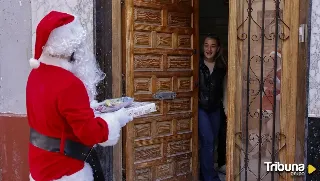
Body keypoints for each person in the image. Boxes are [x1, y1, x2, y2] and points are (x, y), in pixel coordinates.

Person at [27, 11, 133, 181]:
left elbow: (54, 114)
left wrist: (87, 109)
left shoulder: (35, 74)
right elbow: (89, 133)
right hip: (65, 169)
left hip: (41, 166)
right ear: (70, 45)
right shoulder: (69, 82)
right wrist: (116, 119)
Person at [198, 34, 227, 181]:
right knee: (208, 140)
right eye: (206, 45)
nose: (209, 49)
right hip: (201, 108)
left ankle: (204, 174)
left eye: (213, 46)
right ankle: (210, 177)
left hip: (215, 109)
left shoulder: (222, 68)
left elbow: (225, 89)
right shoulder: (197, 65)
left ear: (218, 48)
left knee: (211, 141)